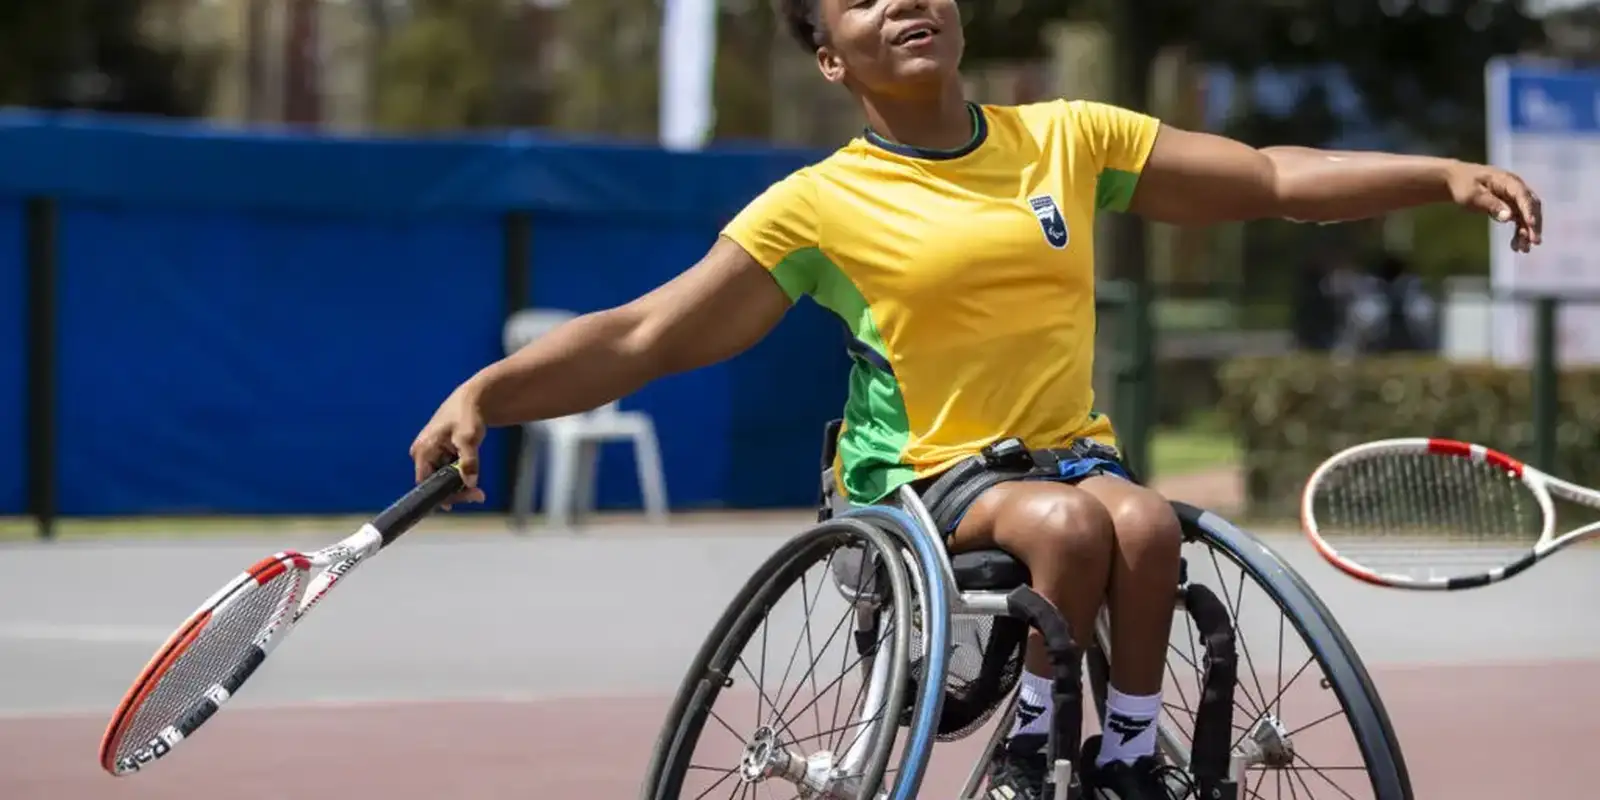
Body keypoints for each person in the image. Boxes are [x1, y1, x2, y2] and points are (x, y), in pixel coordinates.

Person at [408, 1, 1543, 797]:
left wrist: (1436, 173)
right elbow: (649, 332)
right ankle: (1031, 746)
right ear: (831, 58)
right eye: (863, 0)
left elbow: (1271, 176)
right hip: (919, 482)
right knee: (1063, 520)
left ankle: (1126, 756)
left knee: (1140, 518)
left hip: (1071, 456)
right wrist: (489, 394)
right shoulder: (817, 206)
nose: (908, 2)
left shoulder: (1068, 139)